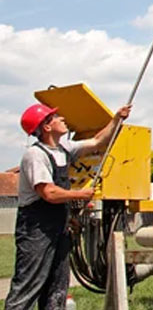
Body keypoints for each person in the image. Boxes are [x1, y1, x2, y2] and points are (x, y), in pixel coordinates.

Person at [5, 101, 132, 310]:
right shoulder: (35, 155)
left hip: (58, 228)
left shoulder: (64, 148)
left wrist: (117, 118)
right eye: (55, 117)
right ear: (46, 127)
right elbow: (48, 192)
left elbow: (98, 141)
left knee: (57, 287)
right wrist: (80, 194)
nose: (62, 119)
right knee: (29, 284)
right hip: (36, 230)